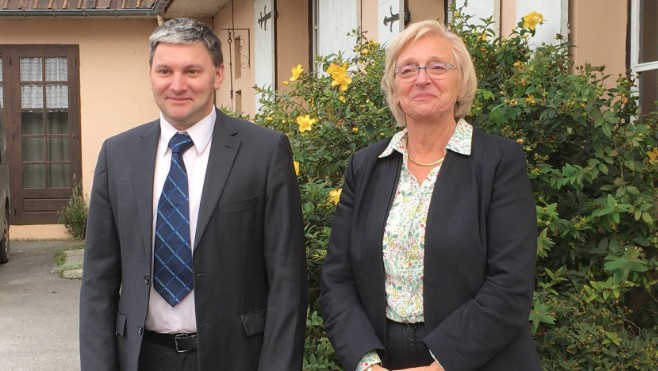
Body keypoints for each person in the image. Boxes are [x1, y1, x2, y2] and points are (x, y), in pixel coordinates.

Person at [79, 18, 307, 371]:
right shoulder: (117, 154)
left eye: (192, 71)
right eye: (165, 70)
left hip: (235, 358)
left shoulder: (264, 152)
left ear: (217, 75)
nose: (177, 84)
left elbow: (287, 281)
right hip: (141, 358)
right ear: (151, 74)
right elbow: (98, 280)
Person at [319, 19, 541, 371]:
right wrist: (367, 364)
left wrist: (441, 366)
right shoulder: (365, 166)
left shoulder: (498, 162)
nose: (422, 78)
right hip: (381, 360)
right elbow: (337, 278)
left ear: (461, 82)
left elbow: (510, 283)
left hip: (479, 359)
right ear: (394, 89)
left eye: (437, 66)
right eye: (407, 70)